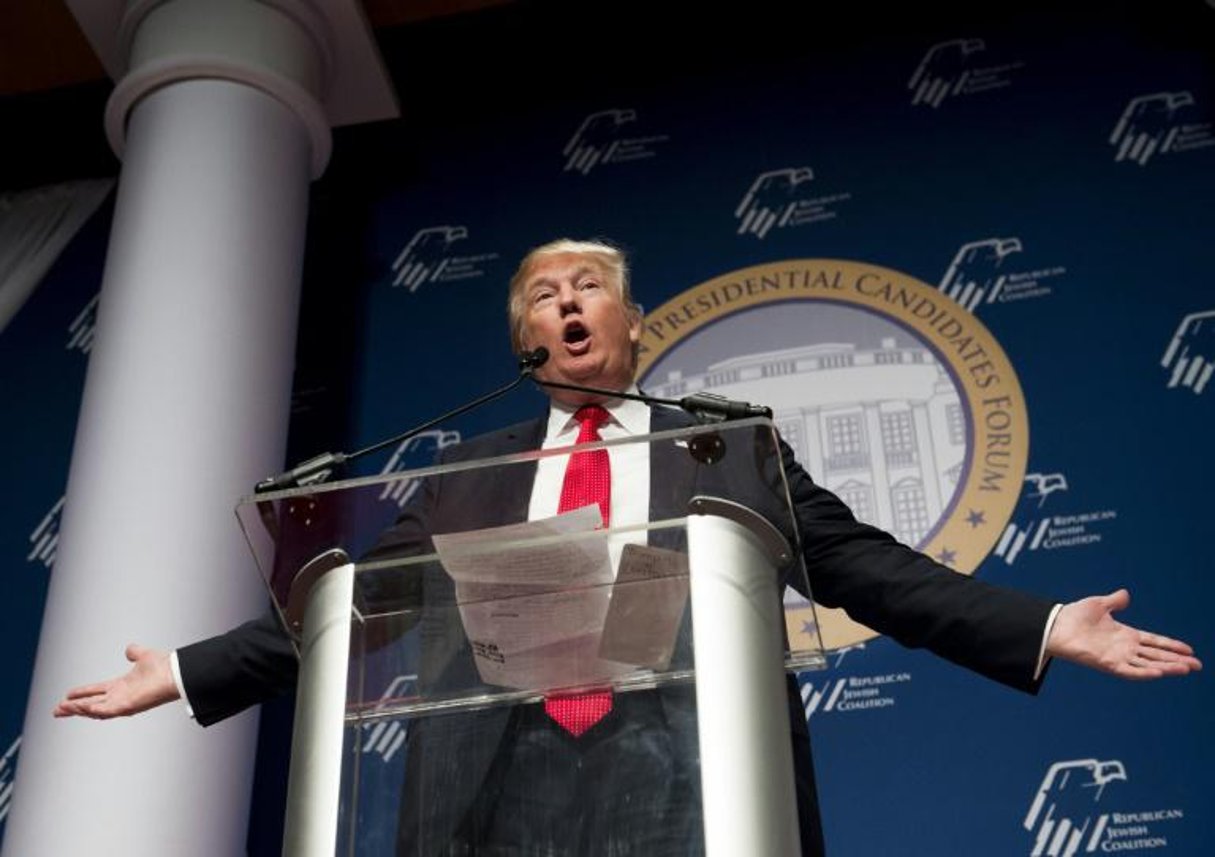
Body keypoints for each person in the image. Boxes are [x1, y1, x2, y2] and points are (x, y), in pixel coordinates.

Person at [55, 238, 1202, 856]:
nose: (567, 303)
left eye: (588, 285)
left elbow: (865, 570)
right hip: (497, 788)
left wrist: (1048, 623)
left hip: (687, 774)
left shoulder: (726, 447)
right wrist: (190, 668)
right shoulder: (468, 474)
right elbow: (370, 605)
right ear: (523, 335)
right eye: (545, 293)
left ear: (629, 321)